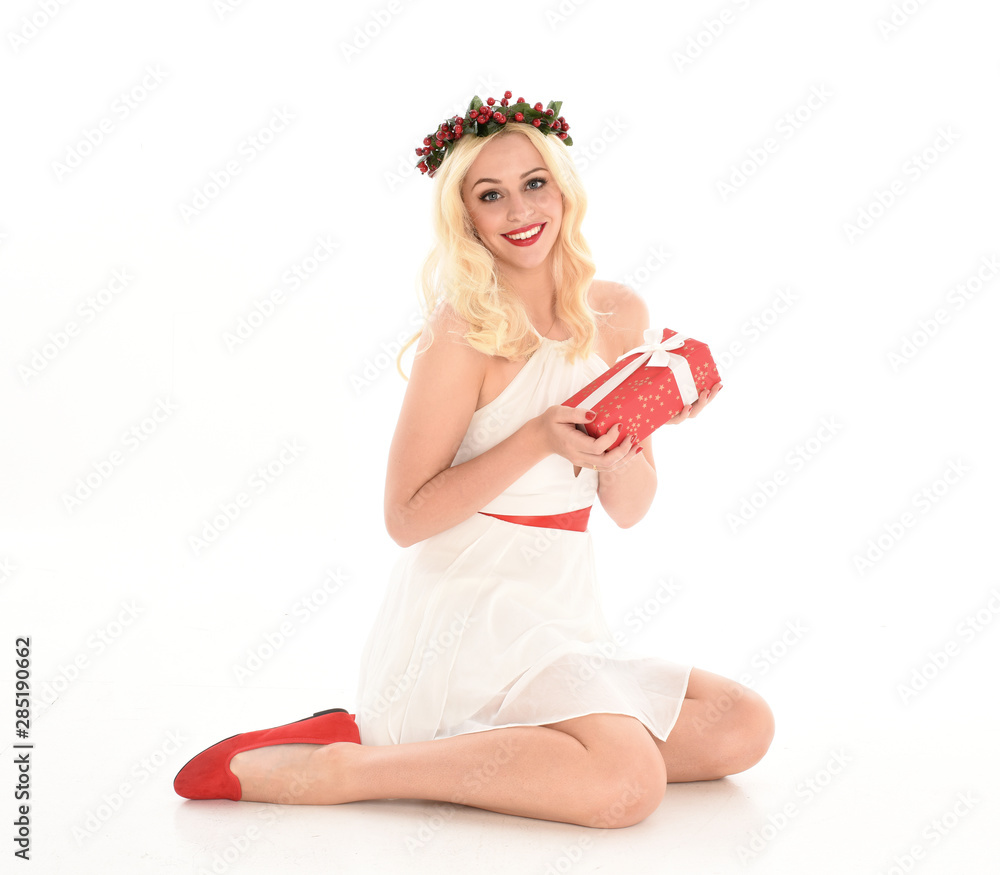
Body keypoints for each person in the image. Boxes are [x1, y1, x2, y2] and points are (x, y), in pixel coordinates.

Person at [174, 91, 775, 829]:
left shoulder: (619, 314)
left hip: (561, 612)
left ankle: (530, 754)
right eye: (491, 195)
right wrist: (538, 438)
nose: (520, 211)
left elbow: (630, 509)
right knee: (628, 783)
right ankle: (347, 768)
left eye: (534, 183)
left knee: (741, 724)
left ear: (563, 189)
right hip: (472, 615)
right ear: (466, 217)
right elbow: (404, 518)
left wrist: (637, 422)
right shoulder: (462, 331)